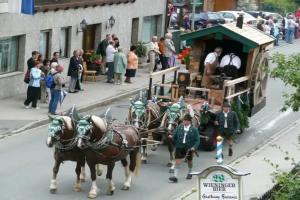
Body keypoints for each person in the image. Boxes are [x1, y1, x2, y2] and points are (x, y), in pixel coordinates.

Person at [168, 113, 200, 183]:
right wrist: (171, 137)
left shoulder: (194, 129)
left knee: (189, 161)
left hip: (189, 148)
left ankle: (190, 172)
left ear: (189, 121)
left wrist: (194, 147)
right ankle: (175, 177)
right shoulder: (179, 127)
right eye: (184, 121)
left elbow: (197, 140)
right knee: (177, 162)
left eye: (186, 121)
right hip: (179, 147)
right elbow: (174, 136)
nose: (184, 122)